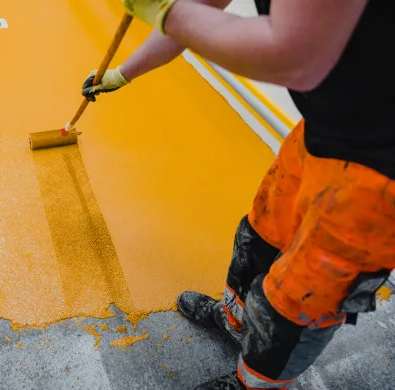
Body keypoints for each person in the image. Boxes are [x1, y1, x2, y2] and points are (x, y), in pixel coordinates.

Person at [81, 0, 395, 389]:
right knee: (261, 231)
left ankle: (255, 385)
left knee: (305, 296)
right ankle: (234, 319)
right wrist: (124, 73)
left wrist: (167, 11)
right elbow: (199, 8)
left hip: (381, 169)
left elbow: (295, 57)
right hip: (326, 125)